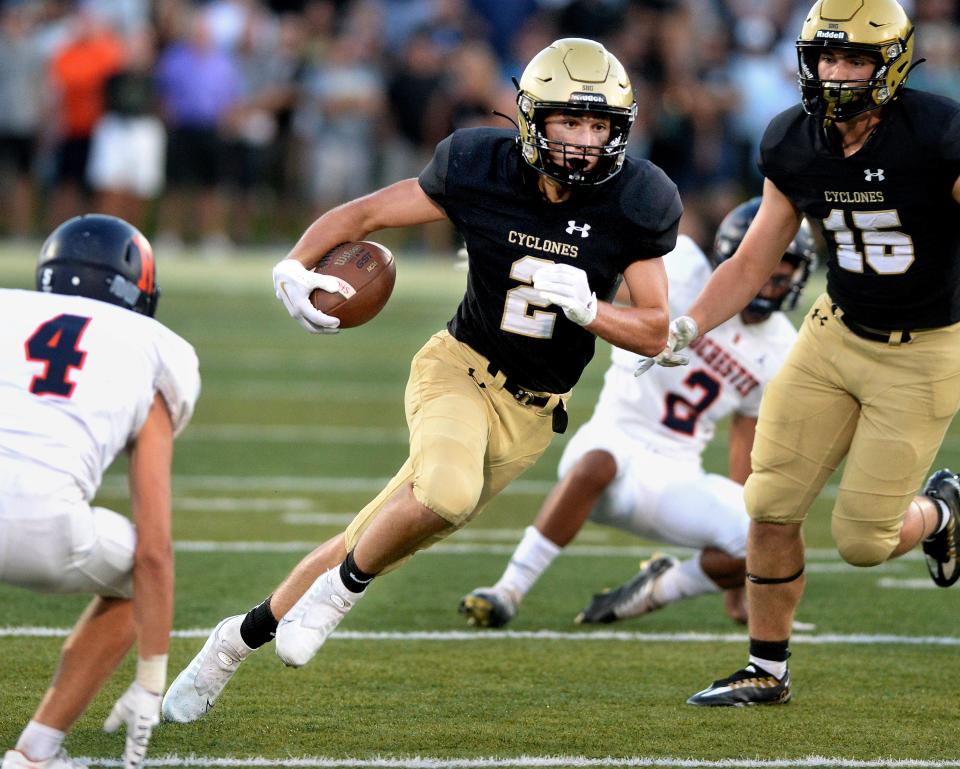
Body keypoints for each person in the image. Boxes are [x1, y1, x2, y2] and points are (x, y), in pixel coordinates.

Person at [161, 37, 682, 723]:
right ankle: (340, 594)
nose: (585, 141)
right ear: (531, 120)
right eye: (569, 122)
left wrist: (592, 309)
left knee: (377, 526)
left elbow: (655, 327)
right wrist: (294, 262)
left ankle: (233, 640)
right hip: (458, 371)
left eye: (598, 125)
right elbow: (367, 214)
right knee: (443, 489)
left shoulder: (636, 199)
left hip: (529, 419)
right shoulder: (479, 166)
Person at [638, 0, 960, 707]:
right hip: (833, 332)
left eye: (855, 60)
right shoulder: (792, 138)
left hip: (923, 348)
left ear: (893, 66)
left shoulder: (938, 135)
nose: (837, 73)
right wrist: (689, 326)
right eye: (827, 57)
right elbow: (757, 254)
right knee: (771, 501)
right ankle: (767, 667)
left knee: (864, 541)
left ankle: (941, 511)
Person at [458, 198, 818, 630]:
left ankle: (659, 589)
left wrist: (743, 581)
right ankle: (509, 589)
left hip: (676, 471)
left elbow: (747, 449)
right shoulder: (683, 265)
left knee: (768, 535)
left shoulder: (781, 346)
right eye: (764, 270)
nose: (769, 283)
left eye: (782, 274)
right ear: (729, 255)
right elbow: (602, 284)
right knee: (598, 462)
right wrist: (514, 268)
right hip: (613, 438)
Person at [0, 215, 200, 768]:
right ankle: (36, 752)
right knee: (135, 570)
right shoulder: (153, 347)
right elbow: (154, 549)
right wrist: (151, 677)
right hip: (43, 529)